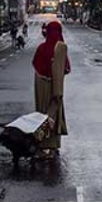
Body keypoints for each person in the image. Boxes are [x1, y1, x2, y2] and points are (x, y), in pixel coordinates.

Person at [32, 21, 71, 158]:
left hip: (40, 84)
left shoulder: (41, 48)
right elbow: (61, 70)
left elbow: (35, 64)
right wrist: (58, 93)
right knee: (53, 113)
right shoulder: (60, 47)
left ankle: (41, 144)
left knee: (42, 112)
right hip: (54, 86)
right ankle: (52, 146)